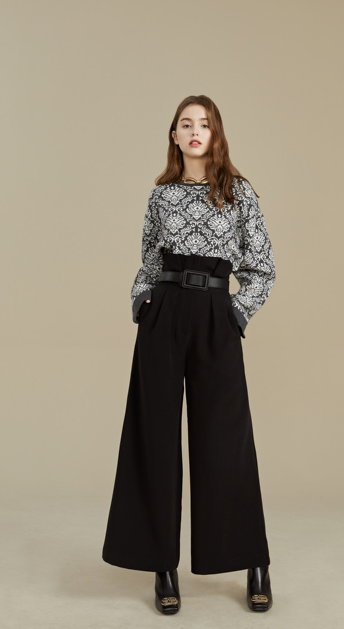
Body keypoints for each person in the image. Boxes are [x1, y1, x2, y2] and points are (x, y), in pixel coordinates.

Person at [102, 94, 276, 615]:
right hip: (164, 315)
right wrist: (142, 301)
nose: (195, 131)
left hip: (216, 315)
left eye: (204, 123)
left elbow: (263, 267)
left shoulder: (238, 192)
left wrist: (236, 312)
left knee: (226, 440)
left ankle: (254, 559)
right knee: (153, 437)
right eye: (186, 123)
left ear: (215, 133)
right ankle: (162, 565)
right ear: (174, 136)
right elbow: (148, 260)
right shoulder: (161, 195)